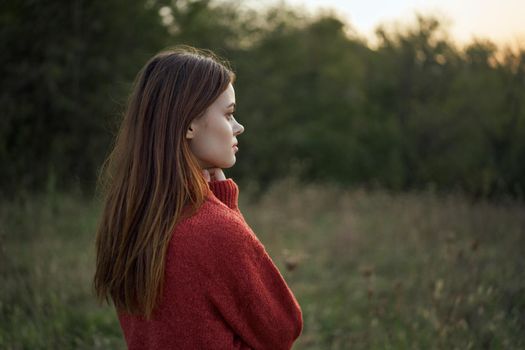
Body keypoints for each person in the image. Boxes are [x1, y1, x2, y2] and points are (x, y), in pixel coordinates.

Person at [93, 46, 303, 349]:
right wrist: (227, 213)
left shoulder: (133, 218)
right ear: (189, 124)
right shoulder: (214, 230)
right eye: (229, 114)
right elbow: (283, 328)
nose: (238, 127)